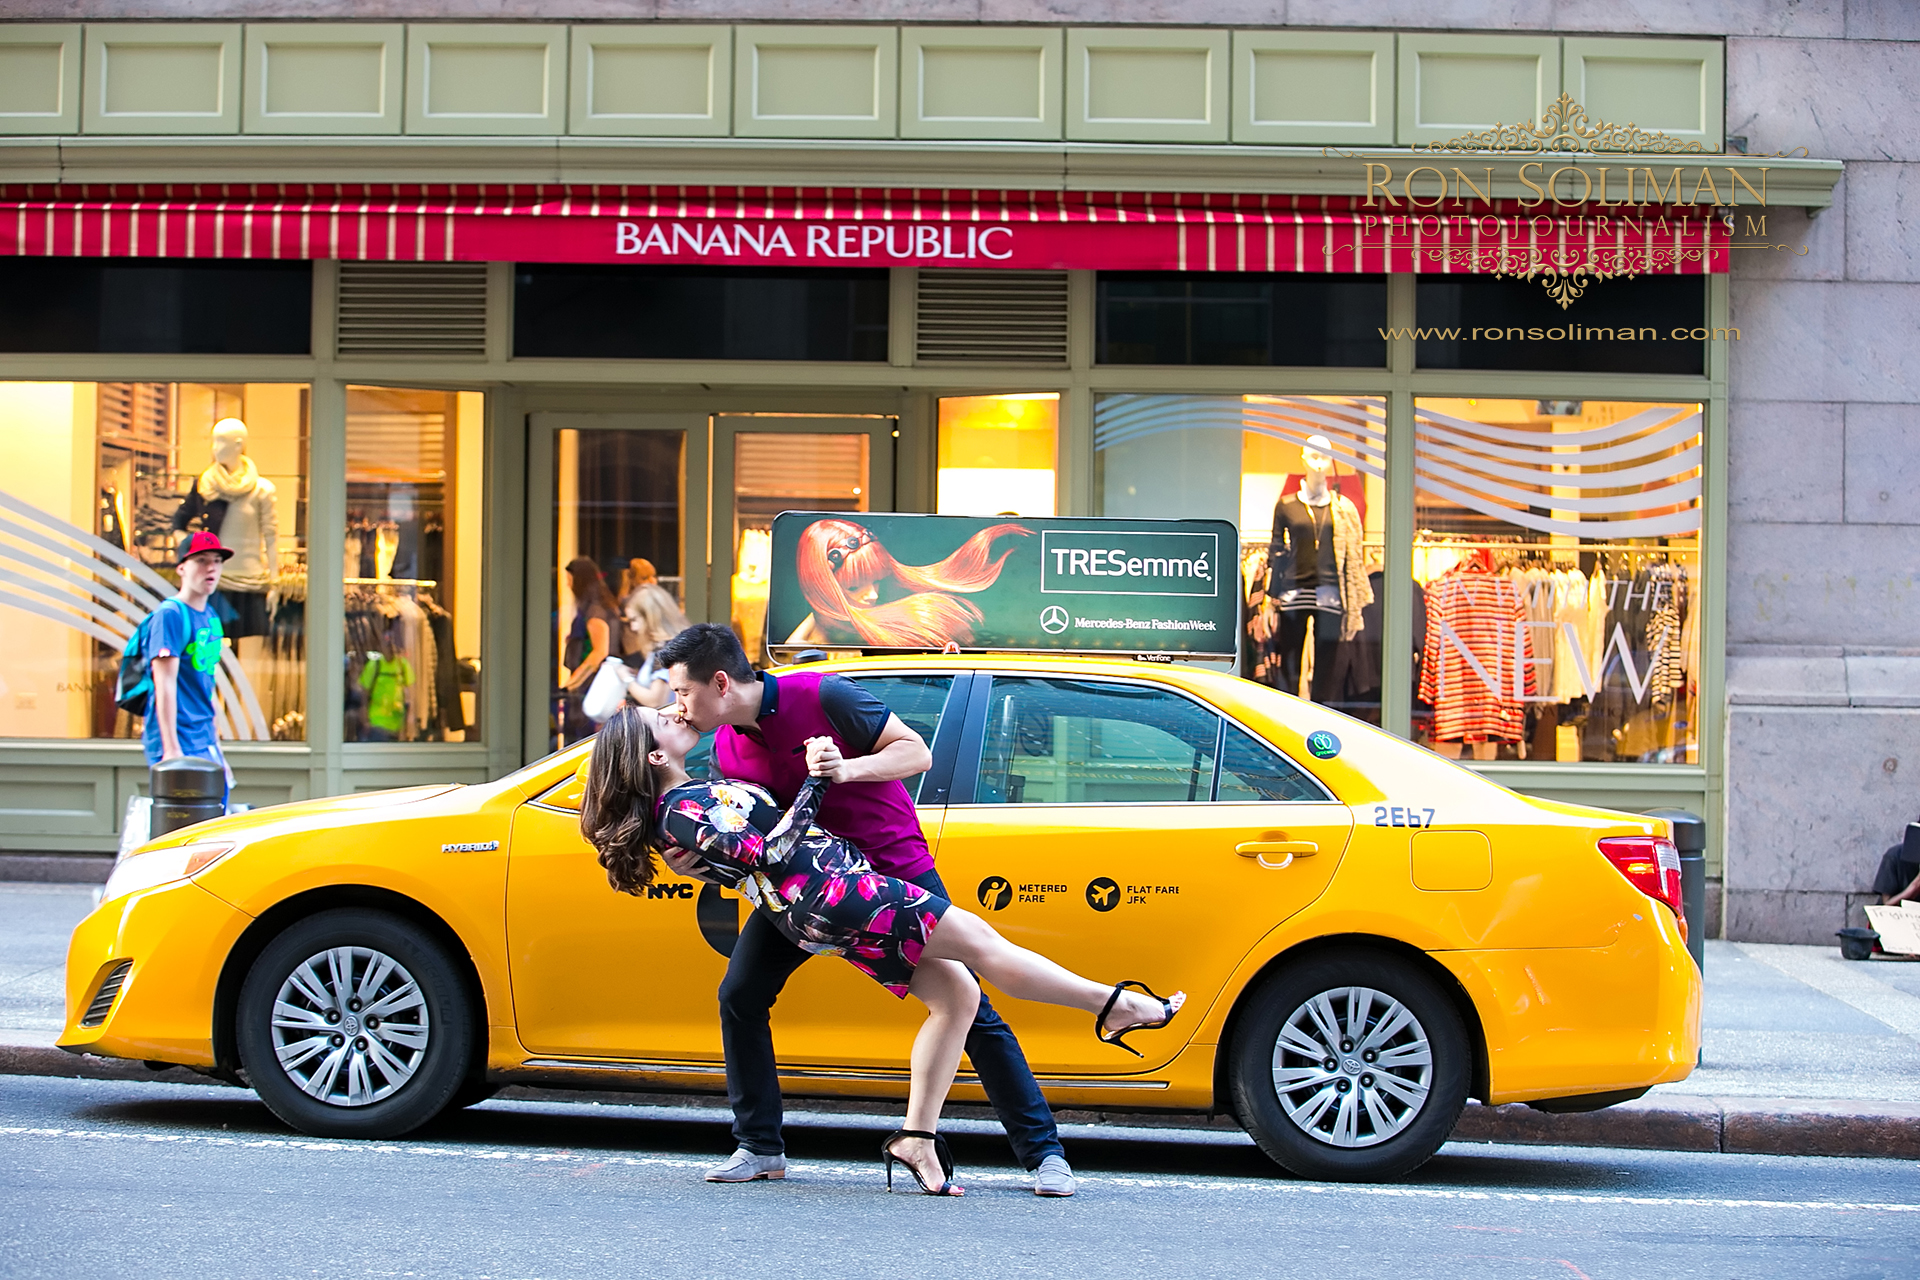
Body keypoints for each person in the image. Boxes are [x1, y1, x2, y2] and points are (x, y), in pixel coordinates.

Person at [580, 705, 1183, 1197]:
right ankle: (1115, 1005)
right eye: (660, 714)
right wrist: (819, 778)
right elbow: (765, 853)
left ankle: (917, 1138)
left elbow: (748, 854)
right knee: (985, 949)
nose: (673, 708)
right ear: (655, 755)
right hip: (840, 894)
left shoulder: (693, 796)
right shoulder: (681, 811)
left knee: (958, 995)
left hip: (824, 901)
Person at [655, 622, 1081, 1196]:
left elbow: (916, 752)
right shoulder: (727, 747)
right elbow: (755, 842)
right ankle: (760, 1147)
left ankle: (1043, 1155)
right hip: (810, 892)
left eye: (682, 691)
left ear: (721, 682)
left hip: (893, 872)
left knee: (967, 1002)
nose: (677, 707)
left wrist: (842, 770)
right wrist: (700, 865)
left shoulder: (823, 694)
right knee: (740, 994)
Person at [144, 530, 232, 795]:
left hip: (204, 736)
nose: (211, 568)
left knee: (215, 814)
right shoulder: (169, 615)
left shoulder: (210, 615)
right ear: (182, 568)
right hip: (179, 737)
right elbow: (165, 683)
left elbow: (206, 679)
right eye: (201, 560)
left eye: (216, 560)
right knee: (186, 825)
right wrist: (171, 749)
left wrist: (216, 743)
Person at [559, 557, 623, 741]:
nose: (568, 584)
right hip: (593, 685)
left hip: (591, 687)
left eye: (570, 580)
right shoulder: (602, 607)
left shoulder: (595, 611)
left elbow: (599, 652)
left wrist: (572, 683)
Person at [618, 561, 690, 711]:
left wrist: (626, 679)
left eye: (634, 620)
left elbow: (656, 701)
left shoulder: (665, 650)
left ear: (650, 618)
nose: (633, 627)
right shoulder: (671, 646)